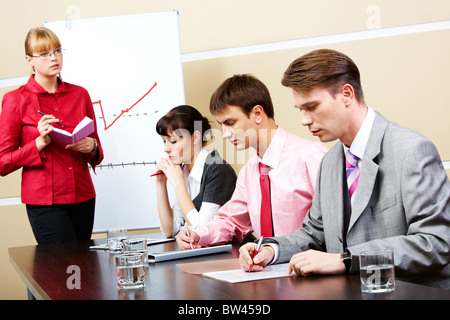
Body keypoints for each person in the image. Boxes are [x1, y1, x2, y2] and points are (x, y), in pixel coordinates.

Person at [238, 49, 450, 290]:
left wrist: (346, 259)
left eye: (312, 107)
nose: (304, 120)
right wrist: (270, 249)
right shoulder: (329, 162)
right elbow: (314, 234)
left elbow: (435, 243)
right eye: (301, 110)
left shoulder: (412, 150)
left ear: (347, 94)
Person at [177, 74, 328, 249]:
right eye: (222, 125)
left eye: (230, 123)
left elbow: (333, 227)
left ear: (257, 113)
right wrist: (198, 235)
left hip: (309, 269)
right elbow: (230, 220)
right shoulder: (250, 171)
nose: (225, 134)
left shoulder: (312, 157)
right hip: (265, 268)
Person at [0, 27, 104, 244]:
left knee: (83, 267)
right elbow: (3, 162)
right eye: (44, 54)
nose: (54, 58)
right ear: (30, 60)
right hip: (44, 202)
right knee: (61, 269)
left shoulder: (80, 94)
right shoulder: (14, 100)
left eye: (57, 51)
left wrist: (91, 146)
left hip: (83, 196)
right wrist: (38, 143)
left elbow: (98, 151)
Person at [154, 105, 237, 238]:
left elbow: (201, 231)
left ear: (195, 137)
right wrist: (160, 183)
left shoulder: (217, 169)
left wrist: (178, 184)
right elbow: (170, 230)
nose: (166, 148)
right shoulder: (183, 169)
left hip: (230, 253)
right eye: (164, 141)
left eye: (173, 141)